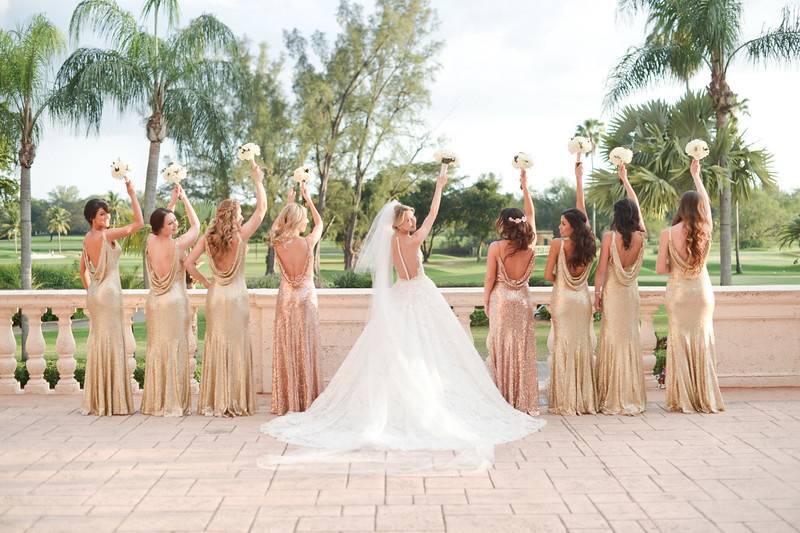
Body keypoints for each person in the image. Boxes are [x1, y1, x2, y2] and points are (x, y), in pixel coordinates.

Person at [261, 163, 544, 467]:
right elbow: (433, 215)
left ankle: (411, 401)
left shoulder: (390, 240)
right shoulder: (412, 239)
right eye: (409, 216)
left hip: (401, 296)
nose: (414, 218)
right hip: (420, 293)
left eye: (413, 216)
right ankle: (421, 405)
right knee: (432, 352)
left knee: (405, 353)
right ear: (399, 223)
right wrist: (439, 186)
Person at [184, 160, 267, 417]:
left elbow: (188, 262)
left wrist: (208, 282)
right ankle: (235, 401)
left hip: (216, 295)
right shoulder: (240, 236)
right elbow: (262, 210)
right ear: (235, 216)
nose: (243, 216)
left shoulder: (208, 239)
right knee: (236, 344)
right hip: (236, 296)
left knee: (216, 343)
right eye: (240, 212)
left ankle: (215, 401)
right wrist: (257, 180)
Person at [656, 158, 725, 413]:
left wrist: (677, 266)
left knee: (680, 341)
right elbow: (706, 207)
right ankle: (704, 396)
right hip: (702, 293)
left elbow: (661, 269)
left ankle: (684, 398)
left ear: (680, 208)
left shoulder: (668, 233)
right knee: (702, 341)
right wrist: (697, 176)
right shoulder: (706, 228)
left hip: (679, 293)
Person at [79, 176, 144, 415]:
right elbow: (138, 223)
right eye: (101, 215)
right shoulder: (107, 236)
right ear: (91, 218)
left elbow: (82, 271)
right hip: (109, 294)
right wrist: (132, 194)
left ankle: (99, 400)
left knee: (99, 343)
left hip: (96, 294)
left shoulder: (87, 239)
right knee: (112, 343)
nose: (106, 218)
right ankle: (113, 401)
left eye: (107, 214)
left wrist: (93, 291)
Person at [544, 153, 597, 415]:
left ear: (571, 225)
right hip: (583, 299)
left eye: (563, 223)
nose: (559, 225)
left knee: (564, 347)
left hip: (564, 300)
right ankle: (584, 399)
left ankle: (566, 400)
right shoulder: (590, 242)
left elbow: (547, 275)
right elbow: (583, 214)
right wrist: (579, 181)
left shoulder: (558, 244)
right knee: (582, 346)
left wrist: (561, 283)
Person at [141, 183, 200, 416]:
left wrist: (171, 204)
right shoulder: (177, 244)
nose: (176, 224)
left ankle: (156, 402)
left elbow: (159, 222)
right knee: (174, 350)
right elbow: (195, 226)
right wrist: (185, 199)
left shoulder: (150, 241)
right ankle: (173, 402)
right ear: (162, 228)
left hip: (155, 301)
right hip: (174, 301)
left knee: (157, 348)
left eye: (175, 220)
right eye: (172, 223)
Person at [483, 167, 538, 413]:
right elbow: (532, 214)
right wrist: (526, 187)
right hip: (523, 300)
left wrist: (486, 302)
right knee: (521, 351)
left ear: (503, 224)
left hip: (502, 300)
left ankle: (501, 400)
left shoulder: (496, 247)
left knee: (501, 348)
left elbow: (489, 278)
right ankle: (522, 400)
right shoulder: (531, 245)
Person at [594, 163, 647, 415]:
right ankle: (631, 395)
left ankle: (612, 396)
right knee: (629, 340)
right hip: (630, 294)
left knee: (612, 339)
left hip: (614, 294)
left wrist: (597, 295)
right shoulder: (641, 236)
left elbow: (602, 270)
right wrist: (626, 182)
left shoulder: (608, 237)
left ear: (616, 216)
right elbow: (636, 206)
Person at [269, 181, 323, 415]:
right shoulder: (308, 242)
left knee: (287, 346)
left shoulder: (277, 242)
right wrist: (308, 199)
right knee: (305, 346)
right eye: (304, 219)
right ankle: (307, 400)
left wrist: (289, 204)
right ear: (299, 220)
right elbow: (319, 222)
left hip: (286, 298)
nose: (308, 222)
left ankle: (287, 402)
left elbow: (275, 225)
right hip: (305, 297)